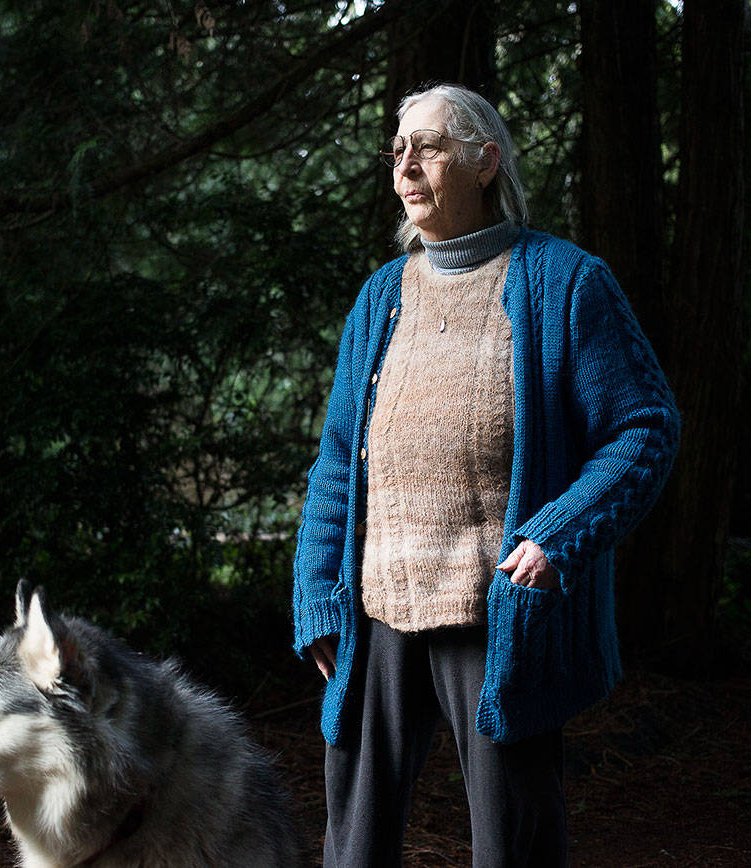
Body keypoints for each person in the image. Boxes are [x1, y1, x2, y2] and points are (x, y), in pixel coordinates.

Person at [291, 83, 680, 867]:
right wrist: (317, 592)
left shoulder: (564, 281)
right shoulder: (379, 298)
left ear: (484, 162)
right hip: (376, 610)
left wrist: (557, 536)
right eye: (397, 149)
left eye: (429, 146)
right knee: (352, 844)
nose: (407, 164)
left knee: (514, 842)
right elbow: (338, 460)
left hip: (496, 609)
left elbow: (644, 428)